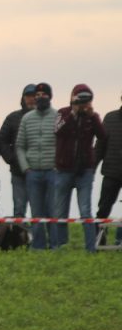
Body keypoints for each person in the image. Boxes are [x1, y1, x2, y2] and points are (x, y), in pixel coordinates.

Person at [54, 84, 106, 252]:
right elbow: (58, 130)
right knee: (60, 210)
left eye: (87, 99)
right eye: (80, 99)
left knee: (85, 210)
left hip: (85, 170)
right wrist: (73, 113)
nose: (83, 103)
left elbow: (103, 136)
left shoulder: (92, 117)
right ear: (72, 98)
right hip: (63, 169)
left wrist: (93, 116)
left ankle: (90, 249)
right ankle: (60, 246)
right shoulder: (63, 113)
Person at [16, 83, 58, 249]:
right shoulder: (26, 118)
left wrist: (57, 166)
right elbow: (20, 146)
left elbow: (62, 144)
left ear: (50, 96)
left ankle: (55, 246)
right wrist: (25, 167)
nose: (40, 97)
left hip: (52, 172)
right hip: (32, 173)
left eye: (43, 94)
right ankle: (38, 247)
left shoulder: (58, 116)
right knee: (36, 212)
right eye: (37, 95)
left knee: (53, 211)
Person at [0, 84, 37, 218]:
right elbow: (1, 140)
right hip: (18, 172)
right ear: (23, 98)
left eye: (34, 96)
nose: (31, 99)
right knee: (19, 211)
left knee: (39, 212)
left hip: (40, 172)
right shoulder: (12, 118)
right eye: (28, 96)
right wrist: (11, 158)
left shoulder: (48, 117)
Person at [96, 90, 122, 245]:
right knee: (103, 208)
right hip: (111, 172)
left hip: (112, 171)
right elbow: (100, 144)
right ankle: (99, 240)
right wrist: (92, 166)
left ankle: (120, 240)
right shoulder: (110, 118)